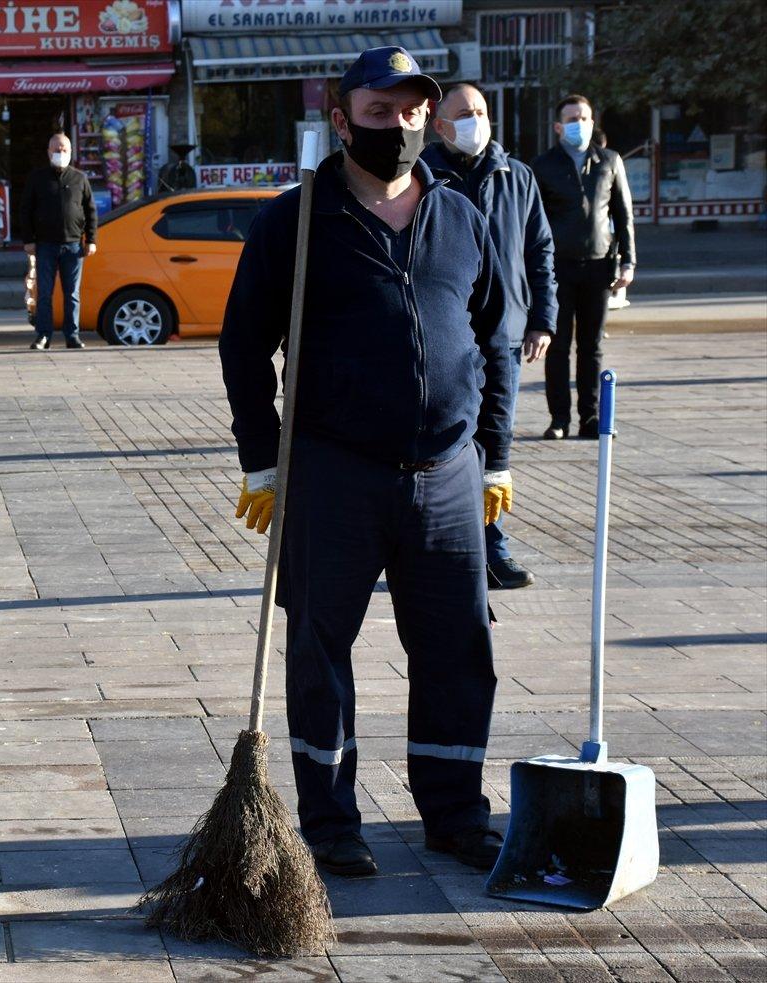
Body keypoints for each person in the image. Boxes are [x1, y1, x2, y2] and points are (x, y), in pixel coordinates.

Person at [220, 47, 513, 878]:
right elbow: (244, 346)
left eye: (413, 110)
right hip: (333, 470)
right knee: (320, 649)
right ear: (342, 121)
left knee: (458, 649)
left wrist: (495, 455)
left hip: (448, 475)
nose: (401, 125)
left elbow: (495, 338)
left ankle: (455, 812)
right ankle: (331, 822)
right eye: (379, 112)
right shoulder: (295, 222)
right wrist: (261, 458)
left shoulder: (460, 216)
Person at [423, 83, 557, 591]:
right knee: (449, 443)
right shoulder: (424, 176)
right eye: (464, 113)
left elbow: (540, 251)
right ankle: (444, 545)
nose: (475, 120)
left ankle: (491, 547)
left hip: (505, 333)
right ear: (440, 125)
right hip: (446, 333)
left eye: (480, 111)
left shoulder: (516, 176)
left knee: (494, 439)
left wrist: (543, 319)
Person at [531, 95, 635, 439]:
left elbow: (623, 214)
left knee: (591, 347)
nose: (579, 124)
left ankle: (590, 418)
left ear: (593, 122)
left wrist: (628, 261)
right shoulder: (543, 165)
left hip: (598, 264)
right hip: (557, 267)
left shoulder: (609, 160)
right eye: (572, 119)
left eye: (585, 118)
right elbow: (534, 221)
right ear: (558, 127)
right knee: (557, 346)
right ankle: (559, 419)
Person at [20, 132, 97, 350]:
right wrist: (28, 240)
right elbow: (25, 210)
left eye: (64, 150)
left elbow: (90, 211)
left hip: (73, 246)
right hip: (45, 245)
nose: (60, 153)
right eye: (56, 150)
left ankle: (72, 336)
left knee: (72, 294)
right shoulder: (37, 178)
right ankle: (43, 335)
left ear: (71, 152)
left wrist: (91, 239)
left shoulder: (80, 178)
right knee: (45, 294)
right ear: (48, 152)